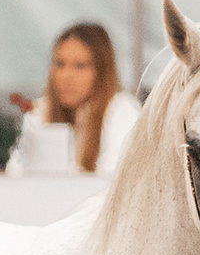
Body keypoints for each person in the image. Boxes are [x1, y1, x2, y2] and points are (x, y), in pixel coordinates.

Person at [8, 21, 138, 176]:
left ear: (102, 72)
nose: (66, 76)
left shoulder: (122, 110)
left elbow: (113, 179)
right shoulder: (40, 112)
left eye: (80, 66)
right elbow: (16, 174)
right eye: (60, 64)